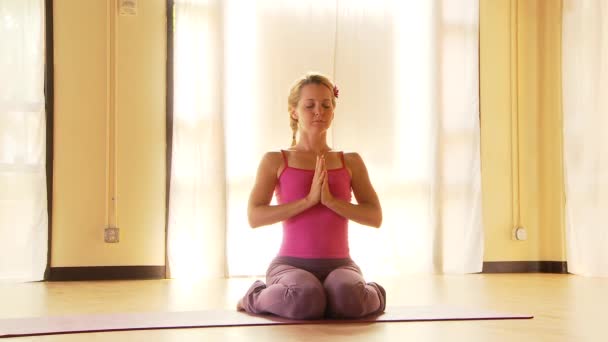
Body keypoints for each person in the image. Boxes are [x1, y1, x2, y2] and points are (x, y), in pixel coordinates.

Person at [237, 72, 385, 320]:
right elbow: (255, 216)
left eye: (326, 105)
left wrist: (331, 202)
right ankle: (254, 296)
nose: (319, 111)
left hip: (340, 266)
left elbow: (375, 216)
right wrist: (308, 201)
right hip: (289, 266)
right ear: (294, 111)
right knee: (304, 297)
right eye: (310, 105)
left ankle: (371, 293)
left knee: (348, 297)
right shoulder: (276, 160)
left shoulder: (350, 161)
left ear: (333, 111)